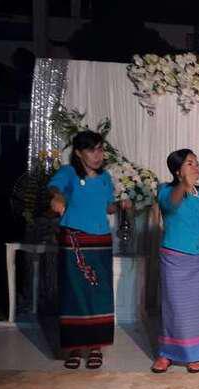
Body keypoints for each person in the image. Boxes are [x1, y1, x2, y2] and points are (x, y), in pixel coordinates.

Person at [48, 131, 132, 370]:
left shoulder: (105, 177)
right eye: (91, 150)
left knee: (100, 291)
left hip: (101, 239)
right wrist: (57, 198)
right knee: (74, 291)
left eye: (100, 149)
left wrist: (121, 205)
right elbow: (54, 188)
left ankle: (96, 347)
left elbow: (107, 207)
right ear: (78, 153)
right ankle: (74, 348)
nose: (98, 155)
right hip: (74, 238)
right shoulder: (69, 172)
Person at [151, 149, 199, 374]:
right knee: (174, 307)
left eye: (197, 163)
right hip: (175, 258)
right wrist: (183, 184)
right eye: (189, 163)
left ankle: (196, 354)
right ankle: (167, 353)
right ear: (177, 170)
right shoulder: (166, 190)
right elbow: (171, 205)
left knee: (198, 309)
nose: (196, 167)